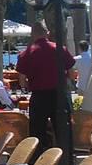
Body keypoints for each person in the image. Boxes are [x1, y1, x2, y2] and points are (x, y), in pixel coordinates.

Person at [16, 26, 73, 154]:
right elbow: (72, 73)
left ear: (32, 35)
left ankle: (38, 161)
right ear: (47, 33)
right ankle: (67, 162)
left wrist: (29, 84)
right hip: (59, 95)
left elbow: (22, 81)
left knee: (37, 132)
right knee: (63, 131)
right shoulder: (60, 49)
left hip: (39, 96)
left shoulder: (26, 53)